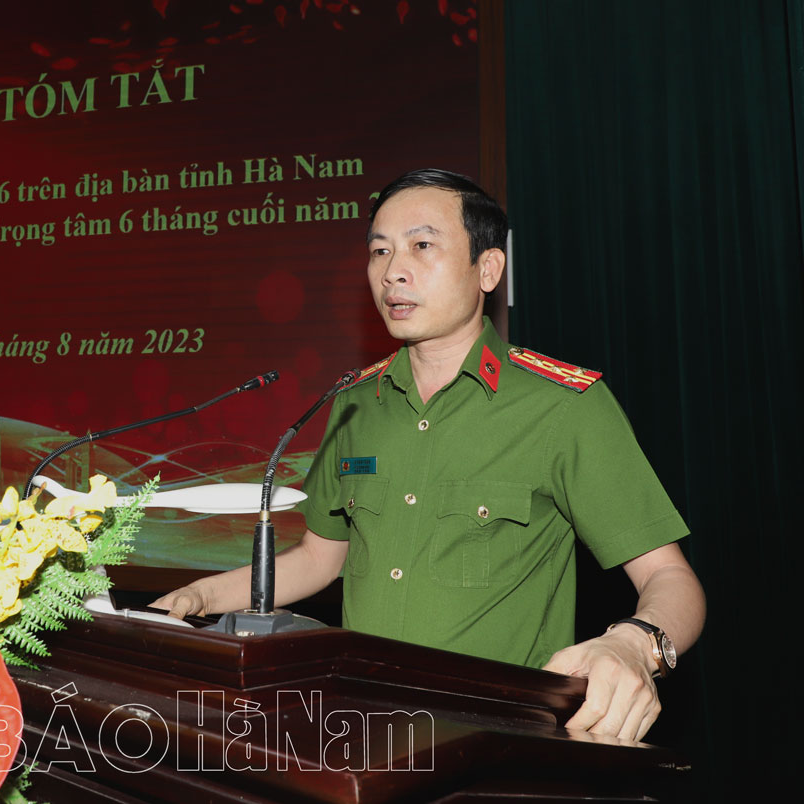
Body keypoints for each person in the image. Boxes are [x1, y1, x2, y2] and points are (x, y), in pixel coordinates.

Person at [151, 169, 706, 743]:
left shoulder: (563, 407)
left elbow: (670, 577)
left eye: (421, 245)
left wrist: (634, 644)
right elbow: (319, 558)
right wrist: (199, 597)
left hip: (495, 744)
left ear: (488, 269)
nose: (393, 270)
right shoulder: (354, 404)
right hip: (356, 732)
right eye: (380, 251)